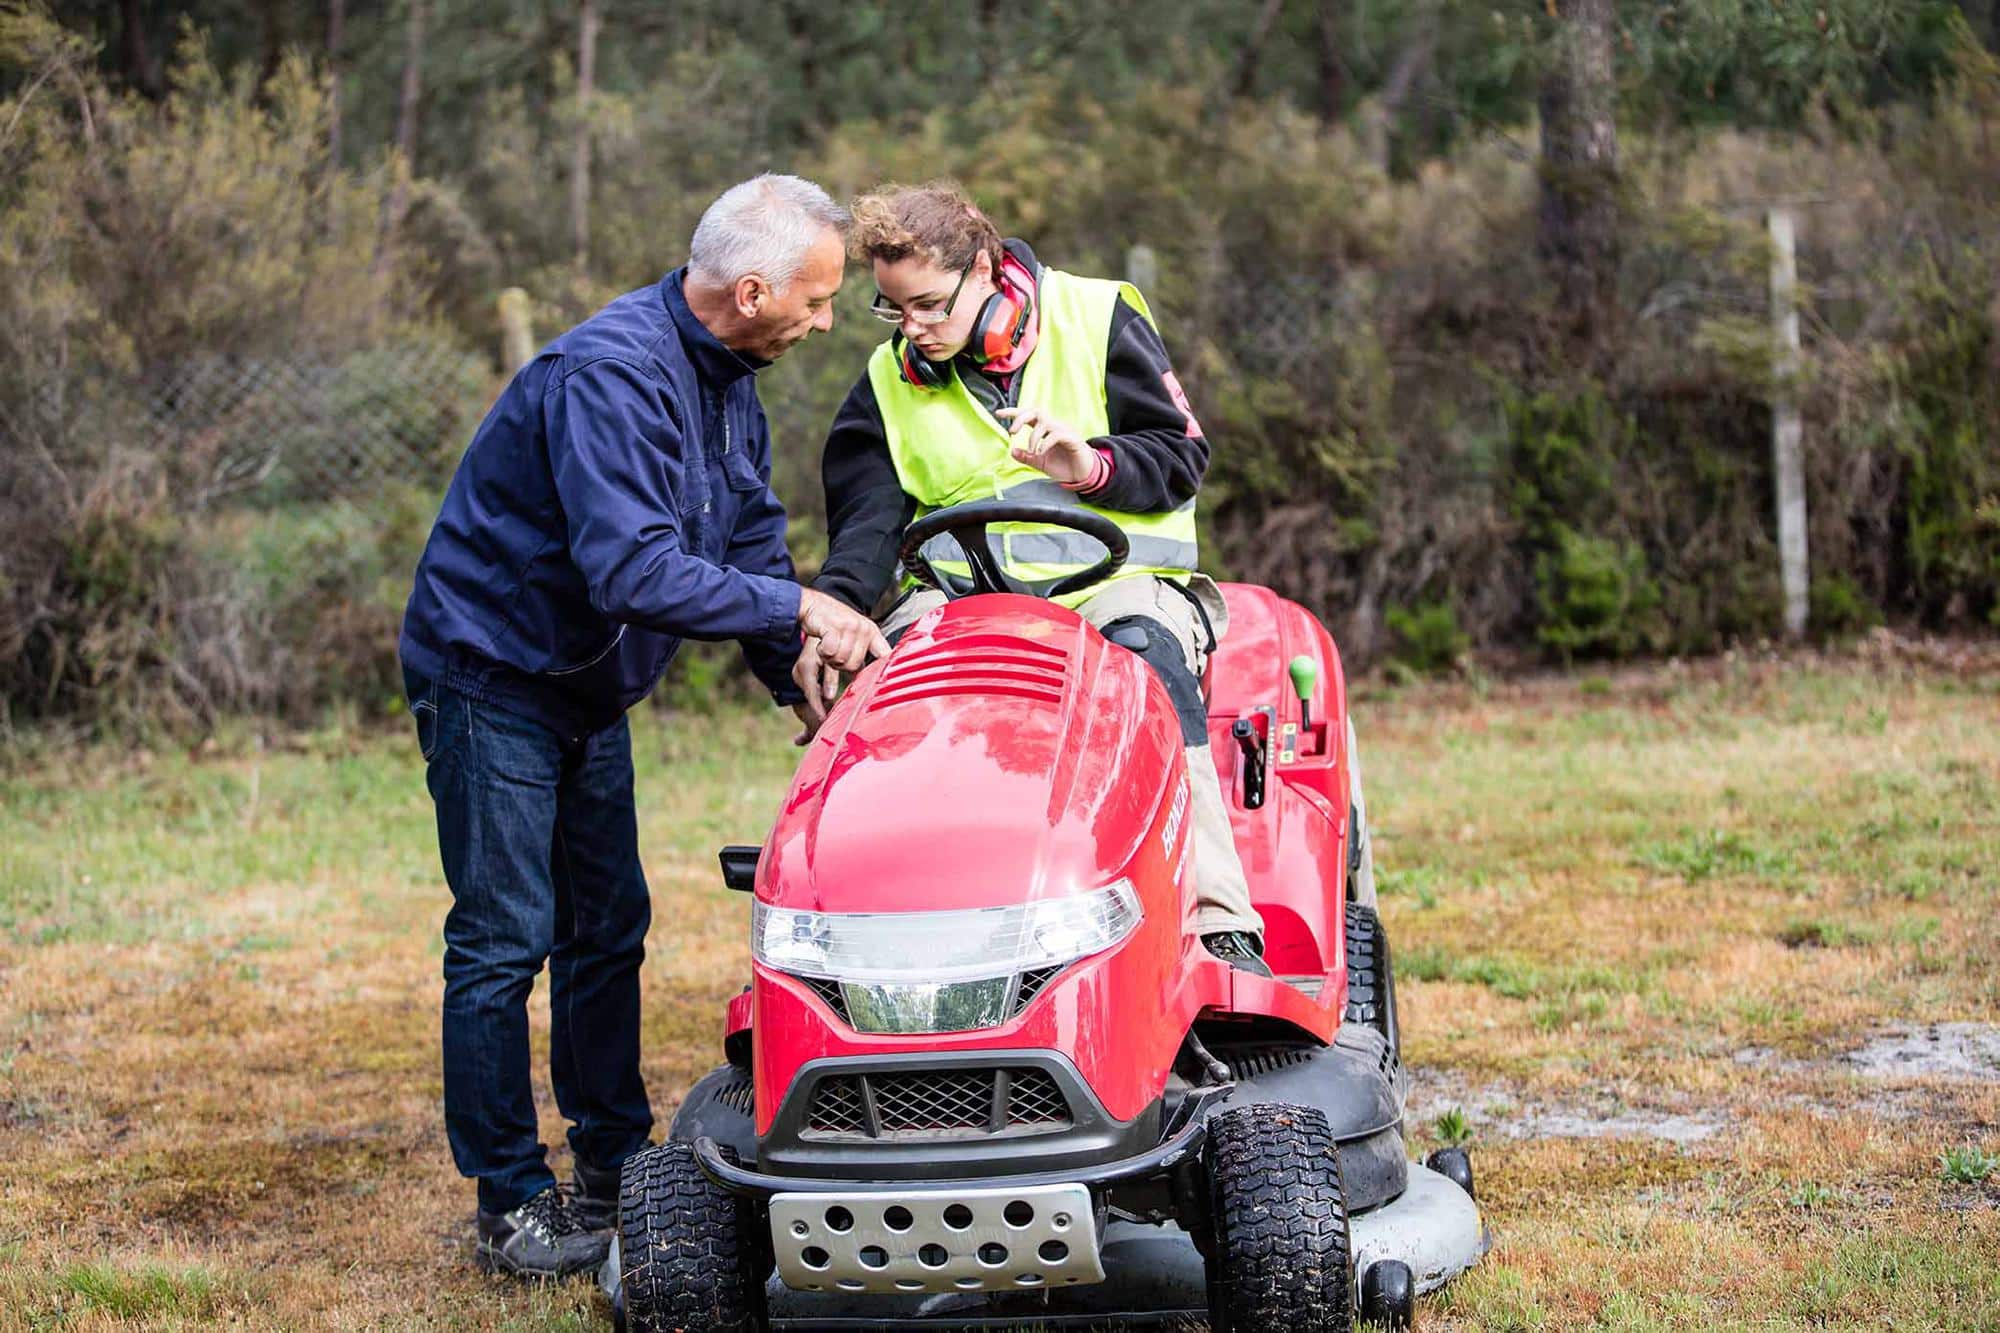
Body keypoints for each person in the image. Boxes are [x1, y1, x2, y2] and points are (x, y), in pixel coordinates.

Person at [398, 174, 887, 1279]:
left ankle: (615, 1164)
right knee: (501, 940)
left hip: (582, 687)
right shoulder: (608, 376)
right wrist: (804, 606)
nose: (822, 322)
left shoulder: (729, 377)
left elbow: (750, 543)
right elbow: (631, 569)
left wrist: (795, 679)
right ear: (752, 289)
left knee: (608, 927)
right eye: (814, 301)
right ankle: (511, 1203)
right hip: (491, 675)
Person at [800, 180, 1273, 977]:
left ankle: (1219, 920)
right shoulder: (889, 382)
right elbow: (867, 528)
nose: (911, 330)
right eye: (893, 310)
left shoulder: (1097, 315)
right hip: (961, 608)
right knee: (886, 693)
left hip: (1114, 589)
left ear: (983, 269)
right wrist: (838, 612)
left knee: (1146, 662)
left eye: (926, 306)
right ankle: (897, 944)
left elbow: (1181, 456)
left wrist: (1089, 465)